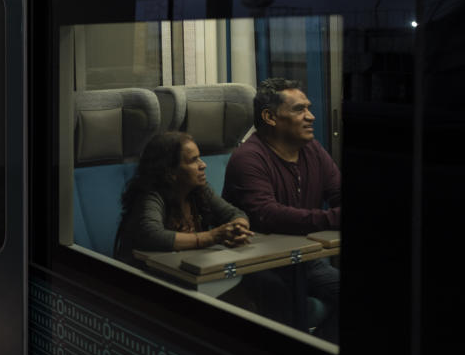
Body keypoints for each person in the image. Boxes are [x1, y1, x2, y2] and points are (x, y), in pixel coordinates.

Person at [222, 77, 341, 339]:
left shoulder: (313, 150)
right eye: (299, 109)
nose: (310, 116)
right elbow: (269, 215)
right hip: (258, 265)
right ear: (270, 117)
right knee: (284, 299)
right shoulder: (248, 159)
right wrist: (332, 219)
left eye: (308, 108)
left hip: (305, 262)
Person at [114, 131, 253, 267]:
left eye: (199, 158)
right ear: (170, 171)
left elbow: (234, 214)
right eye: (193, 160)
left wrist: (238, 229)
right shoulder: (150, 196)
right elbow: (152, 234)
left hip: (190, 270)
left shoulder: (199, 190)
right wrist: (212, 237)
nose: (203, 165)